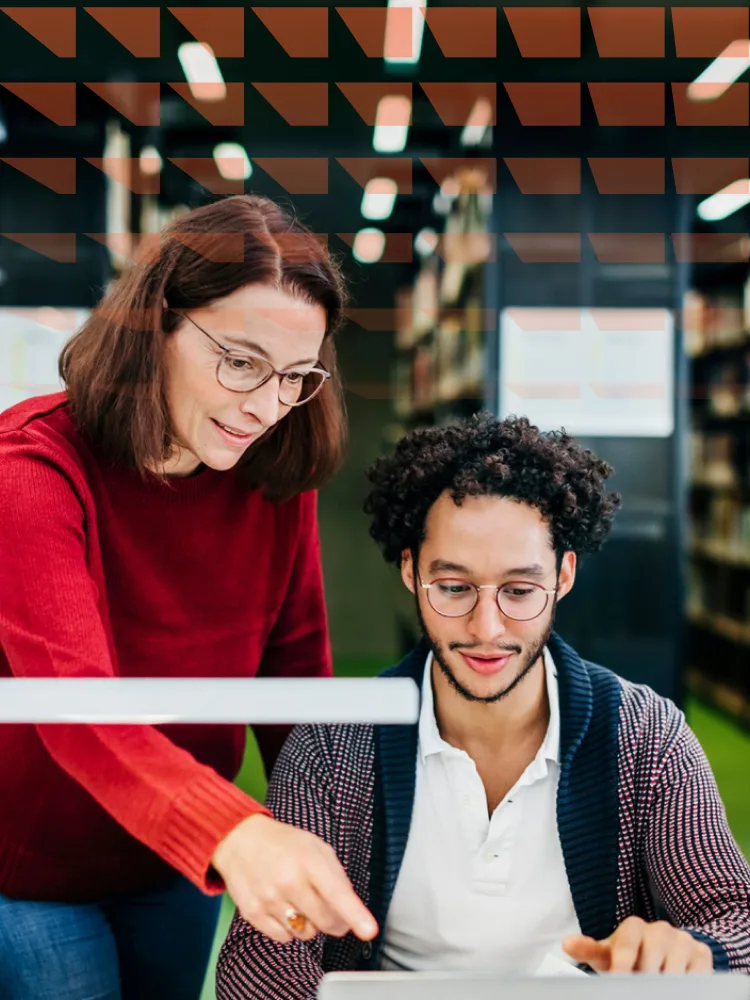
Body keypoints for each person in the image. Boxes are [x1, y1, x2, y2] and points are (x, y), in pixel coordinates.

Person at [216, 412, 750, 999]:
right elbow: (256, 964)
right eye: (453, 587)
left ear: (563, 576)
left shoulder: (646, 737)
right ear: (410, 571)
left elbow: (735, 916)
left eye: (519, 590)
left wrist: (701, 951)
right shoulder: (333, 747)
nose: (486, 627)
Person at [0, 194, 377, 1000]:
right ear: (155, 326)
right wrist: (236, 828)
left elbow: (294, 681)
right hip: (29, 864)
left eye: (296, 377)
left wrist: (343, 831)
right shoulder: (31, 474)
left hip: (175, 858)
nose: (266, 406)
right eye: (240, 362)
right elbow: (75, 707)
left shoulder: (272, 474)